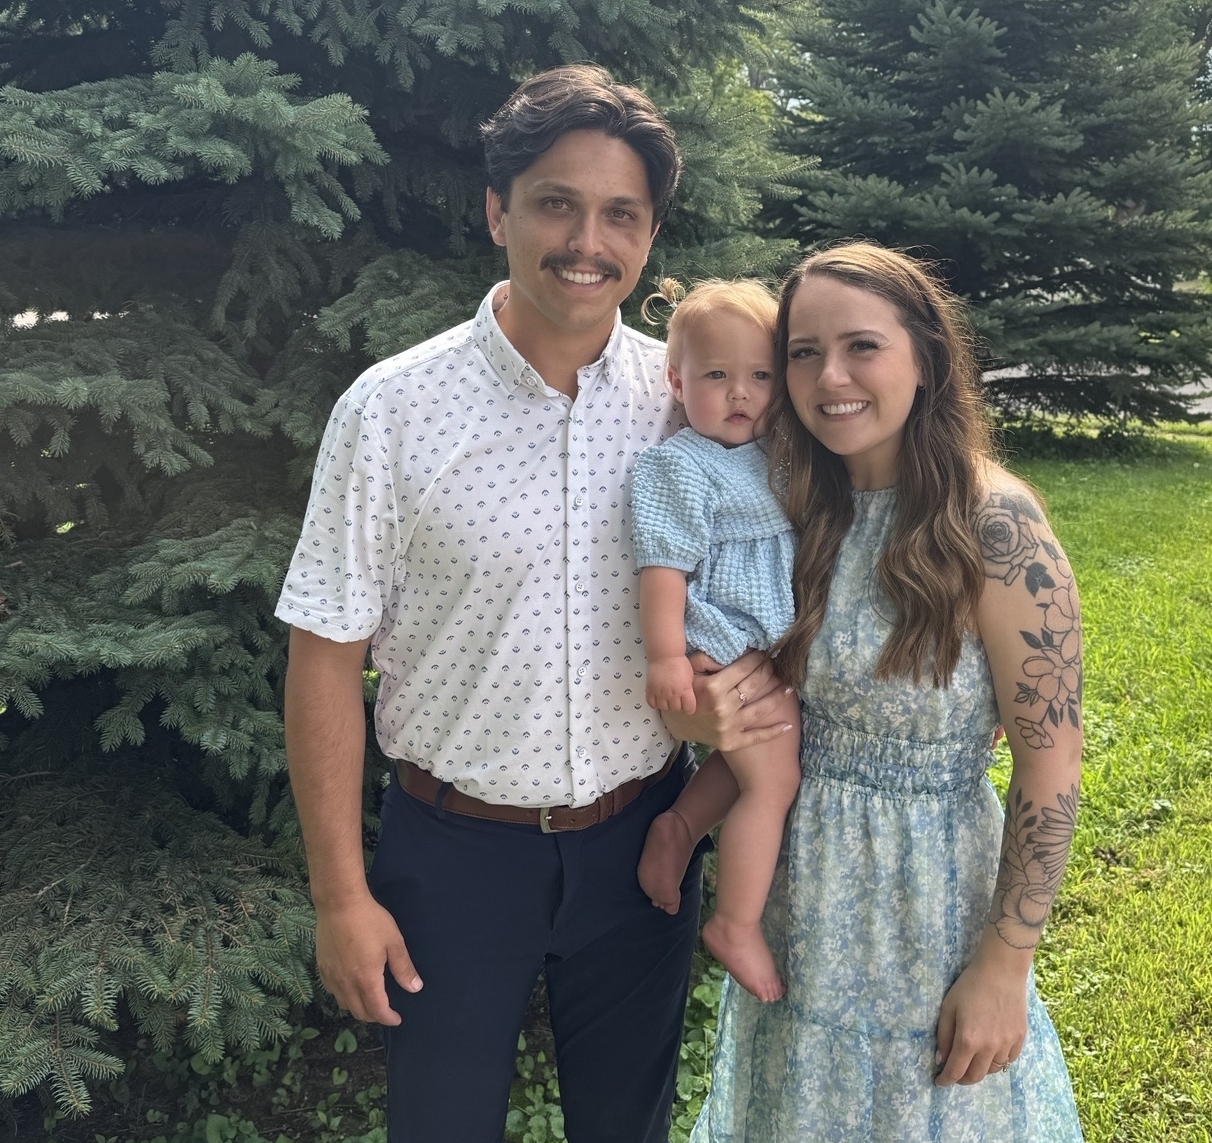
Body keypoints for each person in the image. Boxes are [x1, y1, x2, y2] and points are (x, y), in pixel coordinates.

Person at [275, 64, 791, 1143]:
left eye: (620, 215)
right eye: (557, 202)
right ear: (498, 209)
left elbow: (771, 569)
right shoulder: (392, 411)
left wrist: (730, 700)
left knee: (626, 1128)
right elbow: (325, 658)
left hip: (640, 843)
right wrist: (339, 897)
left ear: (650, 237)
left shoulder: (685, 406)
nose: (585, 241)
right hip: (453, 858)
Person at [690, 242, 1086, 1141]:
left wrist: (1005, 964)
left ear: (926, 360)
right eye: (803, 349)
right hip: (801, 909)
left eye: (861, 346)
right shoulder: (792, 506)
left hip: (932, 909)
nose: (829, 375)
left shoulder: (996, 525)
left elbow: (1051, 761)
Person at [629, 278, 802, 1003]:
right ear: (677, 379)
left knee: (749, 764)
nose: (742, 394)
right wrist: (667, 655)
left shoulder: (772, 455)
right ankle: (734, 921)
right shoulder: (681, 464)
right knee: (777, 777)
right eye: (717, 376)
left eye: (760, 376)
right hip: (721, 640)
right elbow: (662, 564)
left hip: (764, 648)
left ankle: (678, 827)